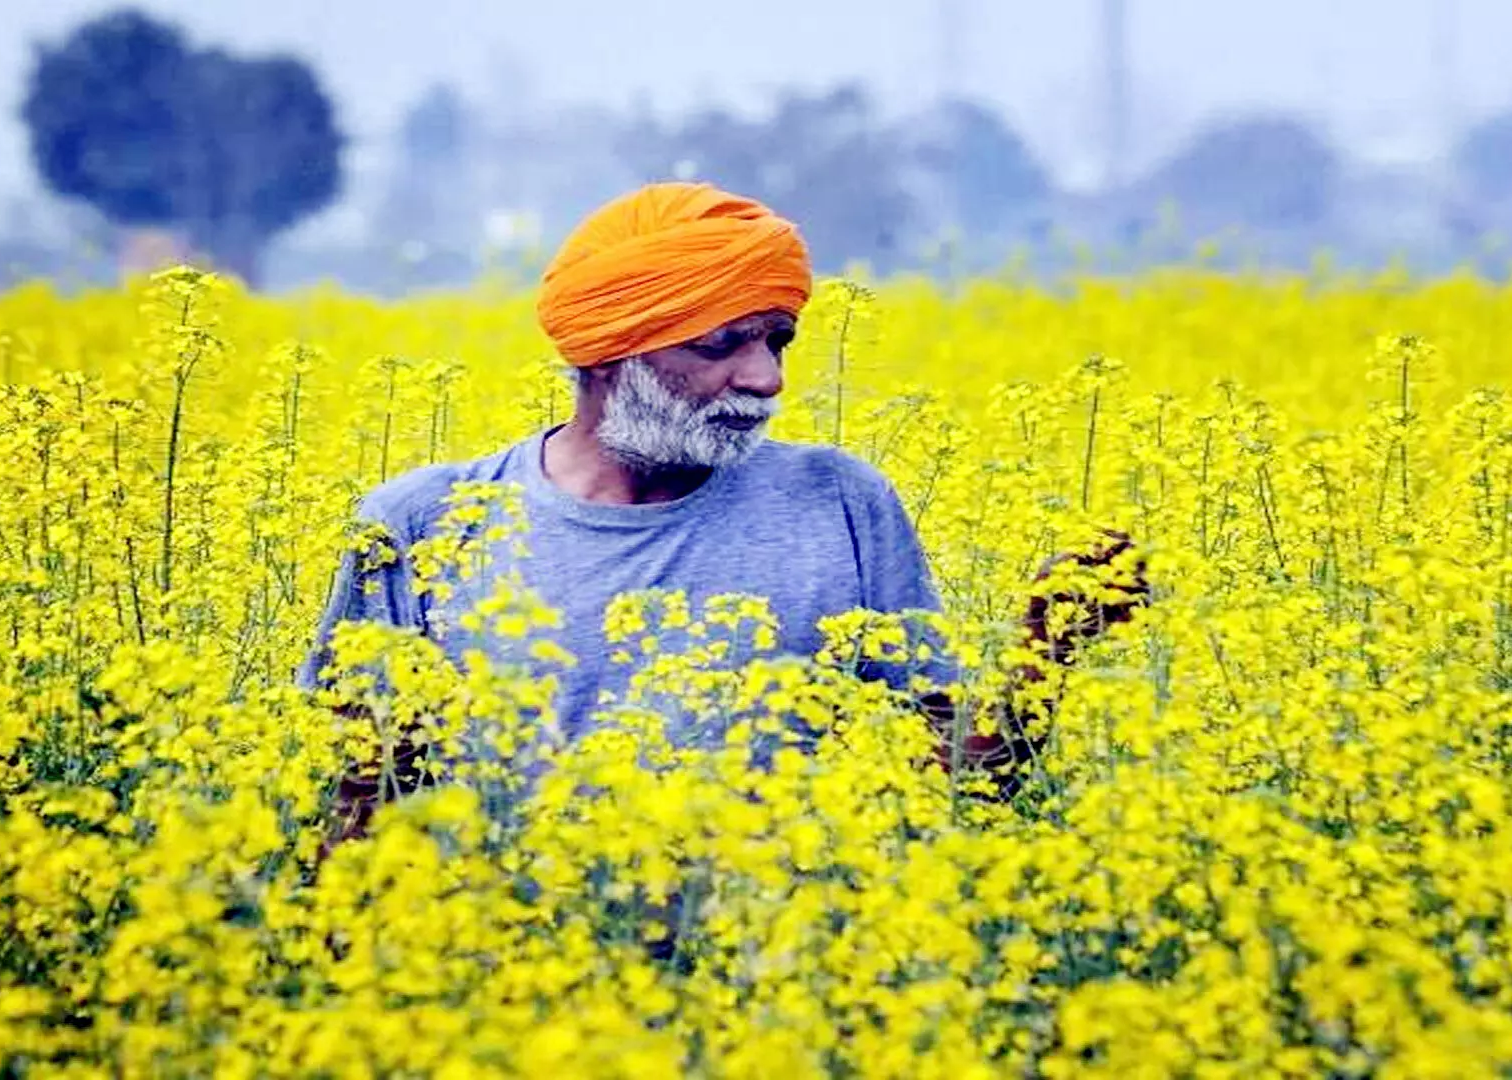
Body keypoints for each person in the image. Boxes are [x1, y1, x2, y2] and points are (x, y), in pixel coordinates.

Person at [300, 182, 1142, 848]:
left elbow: (960, 786)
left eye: (778, 341)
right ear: (606, 351)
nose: (766, 378)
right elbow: (357, 810)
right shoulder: (422, 523)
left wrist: (1051, 648)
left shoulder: (842, 503)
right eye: (720, 344)